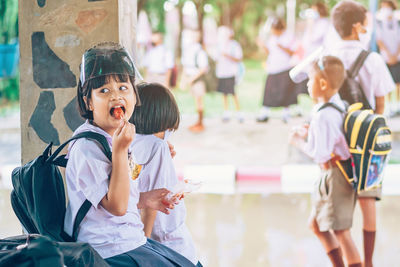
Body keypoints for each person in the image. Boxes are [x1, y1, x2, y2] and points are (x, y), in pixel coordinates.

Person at [64, 42, 195, 267]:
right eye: (104, 91)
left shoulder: (114, 136)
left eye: (123, 88)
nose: (116, 96)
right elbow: (116, 206)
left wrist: (145, 199)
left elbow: (120, 192)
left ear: (135, 96)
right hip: (108, 248)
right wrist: (120, 150)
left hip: (128, 240)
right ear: (89, 102)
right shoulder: (87, 147)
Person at [329, 2, 396, 266]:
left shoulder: (327, 57)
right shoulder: (374, 59)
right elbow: (381, 105)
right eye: (366, 22)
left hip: (338, 140)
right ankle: (368, 262)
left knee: (340, 209)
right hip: (367, 142)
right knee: (368, 202)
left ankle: (348, 259)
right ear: (357, 26)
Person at [290, 56, 361, 267]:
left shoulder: (324, 116)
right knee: (317, 225)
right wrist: (308, 133)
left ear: (322, 84)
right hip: (335, 175)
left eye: (310, 80)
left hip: (335, 176)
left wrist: (297, 142)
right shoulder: (337, 105)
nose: (307, 84)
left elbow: (319, 153)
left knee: (341, 231)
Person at [130, 82, 201, 266]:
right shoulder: (157, 147)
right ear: (165, 114)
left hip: (154, 238)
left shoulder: (131, 142)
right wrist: (144, 250)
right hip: (170, 245)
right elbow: (153, 200)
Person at [256, 17, 298, 123]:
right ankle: (264, 113)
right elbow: (270, 51)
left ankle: (286, 114)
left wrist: (281, 46)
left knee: (285, 92)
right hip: (273, 68)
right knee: (269, 91)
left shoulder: (288, 36)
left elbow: (293, 52)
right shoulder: (272, 38)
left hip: (284, 67)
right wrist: (262, 46)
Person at [181, 31, 209, 132]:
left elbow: (203, 68)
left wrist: (191, 79)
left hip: (197, 79)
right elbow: (186, 65)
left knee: (199, 101)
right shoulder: (189, 50)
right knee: (196, 100)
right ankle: (198, 121)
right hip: (191, 77)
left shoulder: (200, 51)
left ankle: (200, 122)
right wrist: (184, 79)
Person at [376, 0, 400, 116]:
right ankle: (389, 106)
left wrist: (396, 54)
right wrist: (389, 55)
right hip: (386, 57)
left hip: (398, 56)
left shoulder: (397, 21)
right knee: (387, 81)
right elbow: (379, 40)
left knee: (398, 82)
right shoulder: (379, 22)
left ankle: (397, 105)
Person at [215, 26, 244, 123]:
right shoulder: (218, 45)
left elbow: (239, 58)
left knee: (233, 92)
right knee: (224, 93)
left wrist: (227, 55)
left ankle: (239, 112)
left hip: (231, 72)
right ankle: (226, 112)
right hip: (222, 73)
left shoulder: (234, 45)